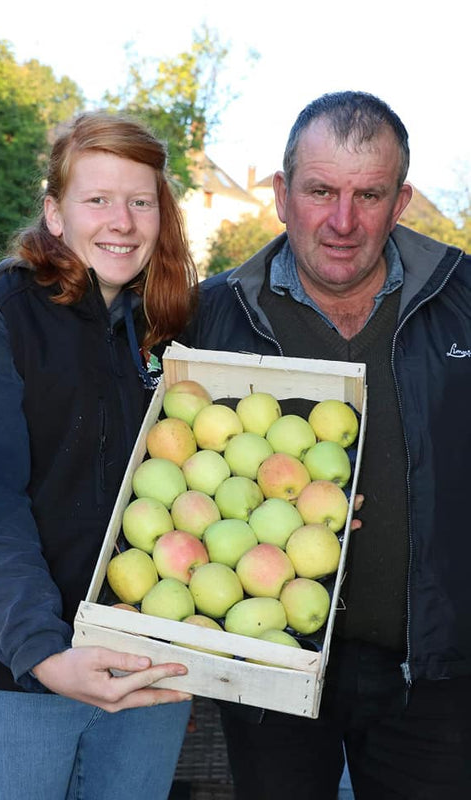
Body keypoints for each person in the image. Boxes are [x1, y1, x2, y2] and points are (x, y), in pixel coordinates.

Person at [187, 91, 471, 799]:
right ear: (281, 195)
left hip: (432, 673)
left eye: (367, 194)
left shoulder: (462, 297)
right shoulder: (207, 316)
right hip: (267, 664)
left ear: (400, 200)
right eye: (319, 191)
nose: (342, 222)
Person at [0, 110, 199, 800]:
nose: (122, 220)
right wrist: (45, 654)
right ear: (55, 215)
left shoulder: (168, 335)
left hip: (142, 658)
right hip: (13, 673)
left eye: (140, 201)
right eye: (98, 199)